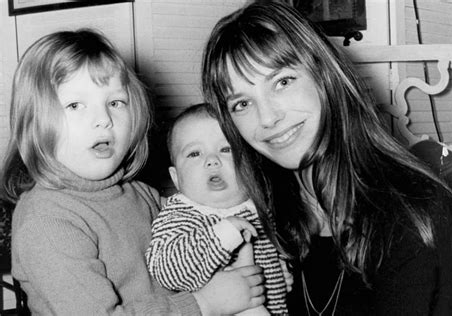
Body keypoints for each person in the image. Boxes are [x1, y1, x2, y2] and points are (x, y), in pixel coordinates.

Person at [201, 2, 452, 315]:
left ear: (324, 75)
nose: (267, 118)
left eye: (282, 82)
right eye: (241, 104)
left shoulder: (414, 213)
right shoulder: (268, 214)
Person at [0, 29, 266, 315]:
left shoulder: (139, 193)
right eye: (75, 105)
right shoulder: (48, 221)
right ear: (34, 123)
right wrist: (203, 303)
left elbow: (188, 247)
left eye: (116, 103)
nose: (103, 119)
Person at [146, 103, 291, 315]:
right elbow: (167, 271)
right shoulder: (180, 215)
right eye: (194, 154)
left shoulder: (259, 209)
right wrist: (221, 236)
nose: (212, 161)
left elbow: (272, 251)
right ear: (176, 178)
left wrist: (279, 271)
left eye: (226, 149)